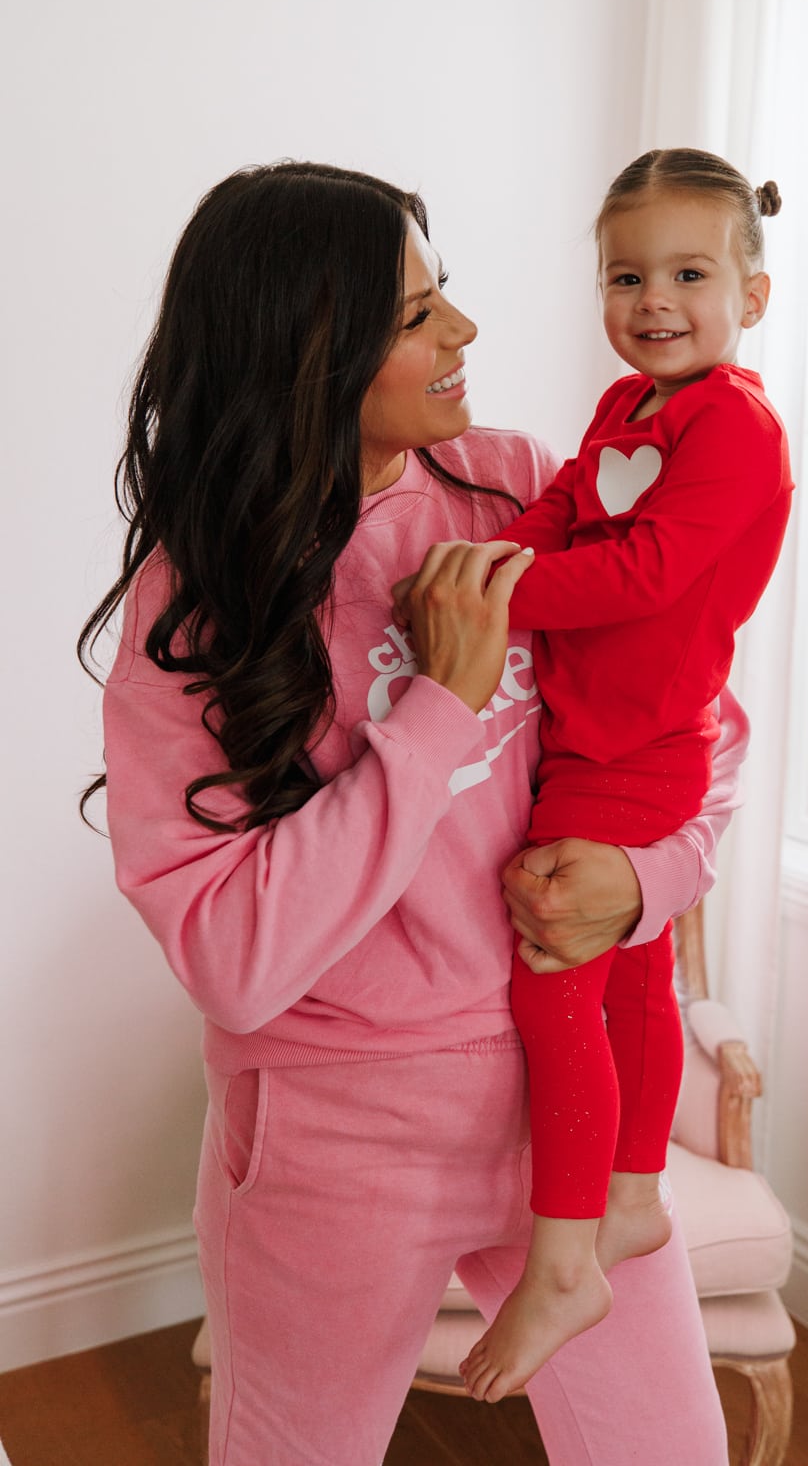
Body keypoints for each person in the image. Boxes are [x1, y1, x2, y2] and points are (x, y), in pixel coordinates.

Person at [78, 160, 748, 1466]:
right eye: (416, 315)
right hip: (339, 1143)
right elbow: (236, 958)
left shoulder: (525, 489)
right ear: (307, 354)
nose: (466, 334)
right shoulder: (193, 602)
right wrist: (436, 708)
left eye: (448, 296)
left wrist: (651, 878)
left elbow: (703, 728)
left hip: (576, 1107)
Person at [424, 148, 792, 1402]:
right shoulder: (625, 414)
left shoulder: (735, 427)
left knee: (555, 986)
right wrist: (498, 553)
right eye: (626, 275)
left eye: (689, 273)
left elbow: (642, 575)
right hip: (598, 727)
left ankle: (567, 1252)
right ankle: (635, 1196)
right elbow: (571, 514)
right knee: (634, 973)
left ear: (752, 292)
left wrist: (495, 595)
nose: (654, 301)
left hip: (637, 746)